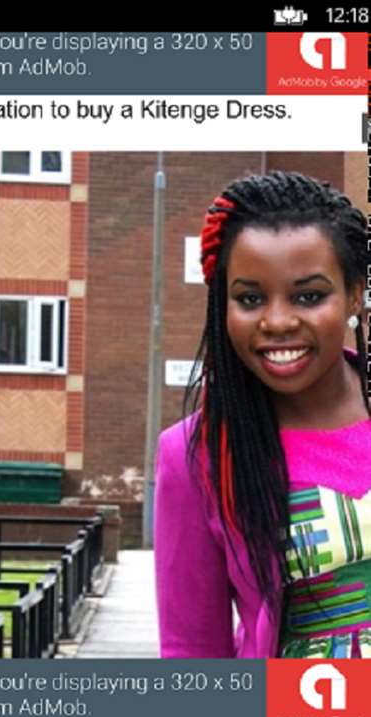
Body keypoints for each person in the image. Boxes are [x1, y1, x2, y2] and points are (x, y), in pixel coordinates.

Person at [154, 170, 371, 660]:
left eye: (308, 296)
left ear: (355, 294)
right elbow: (192, 653)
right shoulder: (196, 456)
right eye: (250, 299)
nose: (277, 322)